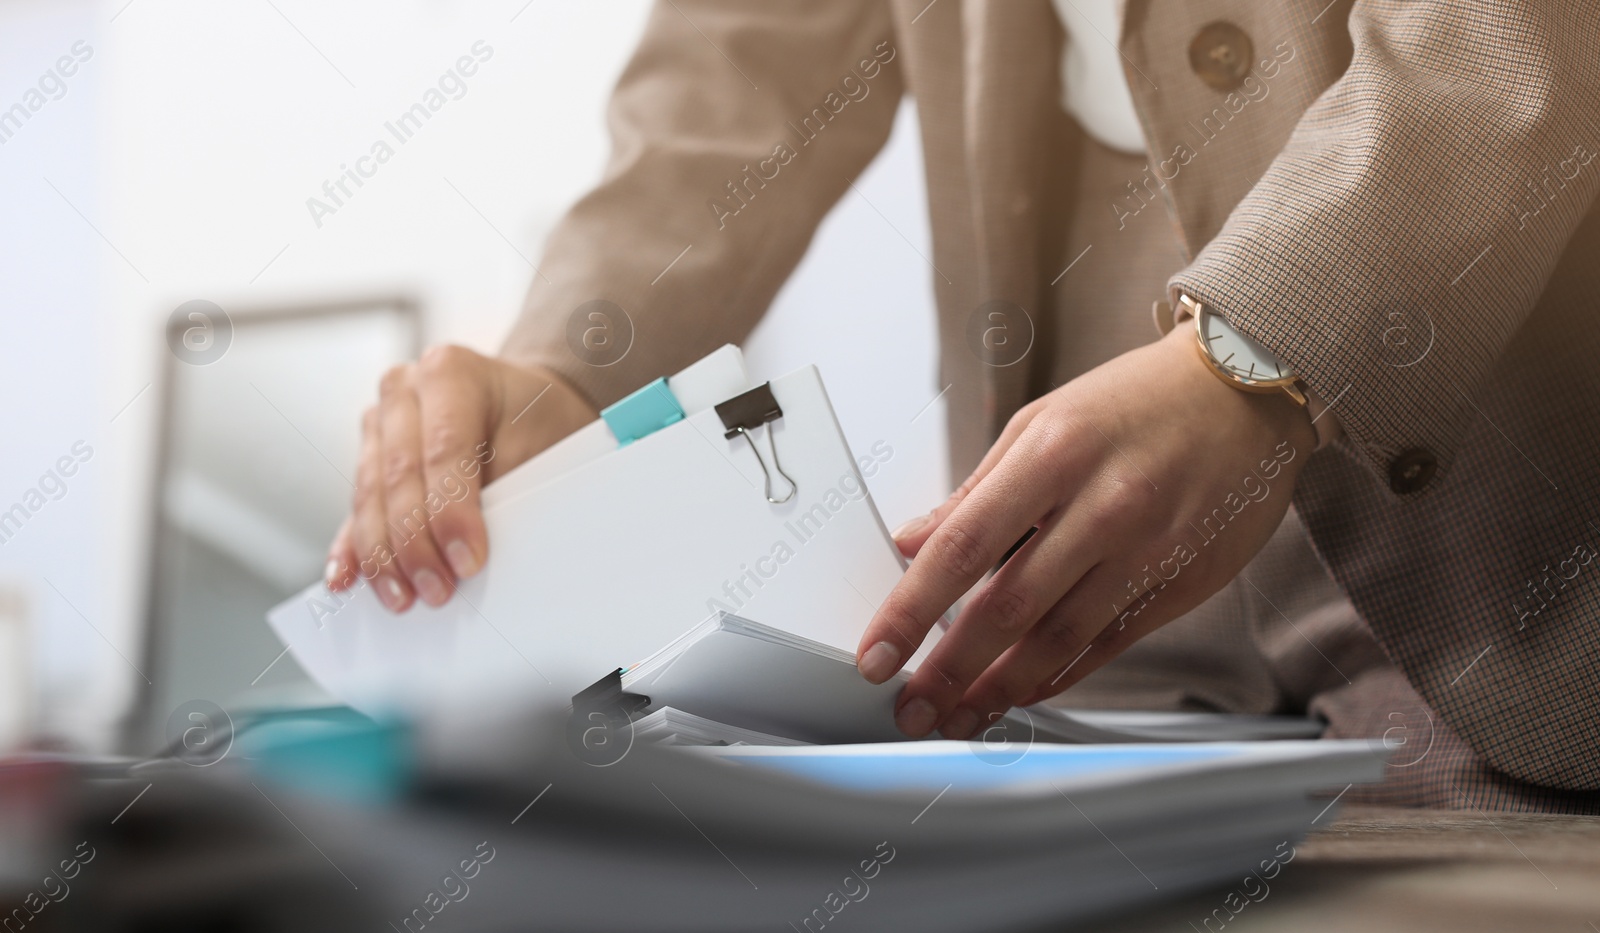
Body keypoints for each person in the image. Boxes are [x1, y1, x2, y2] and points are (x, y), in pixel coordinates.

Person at [324, 0, 1600, 811]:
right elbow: (738, 60)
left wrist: (1264, 346)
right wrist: (565, 362)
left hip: (1495, 482)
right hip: (1084, 537)